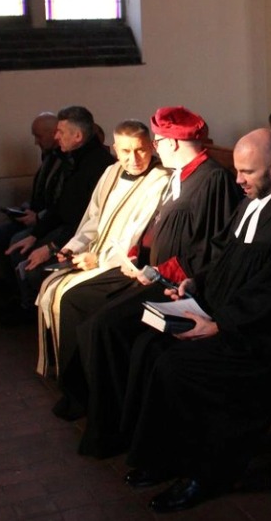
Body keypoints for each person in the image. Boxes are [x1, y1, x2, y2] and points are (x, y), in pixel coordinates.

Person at [121, 128, 271, 513]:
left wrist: (220, 325)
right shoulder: (251, 202)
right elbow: (224, 258)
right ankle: (166, 456)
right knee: (148, 346)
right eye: (237, 170)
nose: (238, 180)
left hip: (269, 342)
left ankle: (206, 474)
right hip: (230, 319)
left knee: (180, 367)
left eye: (247, 172)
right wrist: (195, 285)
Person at [51, 105, 242, 458]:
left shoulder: (212, 179)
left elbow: (210, 249)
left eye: (157, 141)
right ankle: (90, 403)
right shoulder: (180, 174)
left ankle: (112, 427)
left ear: (172, 142)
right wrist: (136, 254)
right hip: (150, 272)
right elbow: (155, 226)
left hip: (176, 284)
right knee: (83, 308)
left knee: (103, 328)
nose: (154, 148)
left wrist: (158, 272)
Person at [35, 120, 171, 376]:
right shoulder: (111, 172)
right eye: (125, 151)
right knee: (50, 286)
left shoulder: (160, 179)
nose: (133, 159)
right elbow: (94, 218)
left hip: (121, 262)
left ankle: (82, 376)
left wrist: (99, 260)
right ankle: (66, 369)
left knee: (69, 297)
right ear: (115, 150)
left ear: (152, 147)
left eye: (140, 150)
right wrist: (73, 248)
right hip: (95, 253)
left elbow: (136, 233)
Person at [3, 106, 115, 323]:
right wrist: (35, 235)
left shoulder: (99, 166)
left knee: (35, 269)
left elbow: (87, 221)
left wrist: (51, 247)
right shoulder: (73, 159)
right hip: (67, 230)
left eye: (60, 132)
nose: (56, 137)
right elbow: (60, 206)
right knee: (21, 246)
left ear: (78, 136)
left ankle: (45, 318)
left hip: (82, 237)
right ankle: (31, 309)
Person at [0, 112, 61, 296]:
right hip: (40, 215)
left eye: (39, 136)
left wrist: (38, 217)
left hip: (54, 221)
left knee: (14, 240)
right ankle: (15, 294)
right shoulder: (49, 157)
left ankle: (25, 300)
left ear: (54, 133)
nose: (36, 142)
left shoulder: (65, 161)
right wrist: (26, 208)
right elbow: (43, 193)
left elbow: (62, 202)